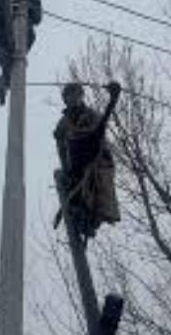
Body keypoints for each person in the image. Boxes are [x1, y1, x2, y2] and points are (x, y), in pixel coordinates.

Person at [53, 81, 122, 239]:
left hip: (95, 159)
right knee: (76, 191)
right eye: (69, 96)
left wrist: (113, 98)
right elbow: (61, 148)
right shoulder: (63, 124)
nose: (73, 98)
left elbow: (100, 132)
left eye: (76, 94)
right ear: (65, 99)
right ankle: (80, 218)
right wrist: (66, 168)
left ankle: (90, 218)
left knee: (96, 190)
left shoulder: (91, 115)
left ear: (81, 96)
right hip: (76, 162)